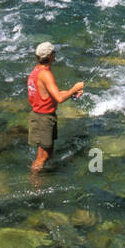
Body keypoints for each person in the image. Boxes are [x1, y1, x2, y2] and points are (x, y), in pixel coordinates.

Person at [27, 41, 84, 172]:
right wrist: (74, 88)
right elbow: (58, 98)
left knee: (48, 153)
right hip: (44, 119)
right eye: (54, 53)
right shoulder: (46, 74)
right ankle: (35, 184)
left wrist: (71, 93)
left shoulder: (36, 71)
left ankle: (43, 176)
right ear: (51, 56)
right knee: (42, 157)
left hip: (41, 116)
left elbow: (50, 95)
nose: (55, 55)